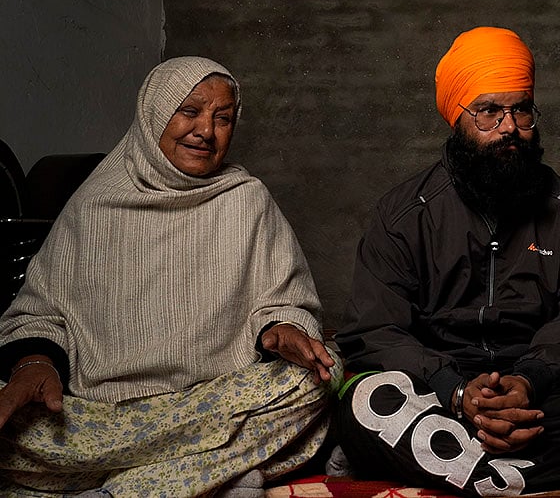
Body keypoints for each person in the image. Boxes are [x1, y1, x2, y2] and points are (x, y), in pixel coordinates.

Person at [334, 27, 560, 496]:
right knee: (364, 401)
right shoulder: (404, 214)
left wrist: (527, 381)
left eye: (521, 109)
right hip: (438, 390)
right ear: (457, 117)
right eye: (488, 111)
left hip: (537, 391)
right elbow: (374, 330)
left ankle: (421, 454)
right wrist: (455, 390)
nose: (509, 127)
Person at [0, 57, 339, 496]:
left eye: (223, 118)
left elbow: (281, 300)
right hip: (99, 411)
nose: (206, 131)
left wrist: (282, 328)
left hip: (213, 398)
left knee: (314, 381)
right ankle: (217, 471)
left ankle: (118, 487)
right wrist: (34, 363)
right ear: (154, 114)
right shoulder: (94, 205)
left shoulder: (247, 200)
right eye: (189, 111)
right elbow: (37, 312)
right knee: (11, 413)